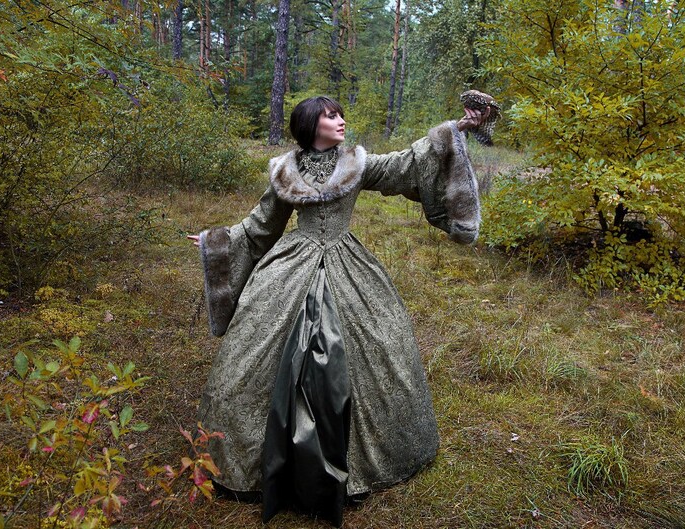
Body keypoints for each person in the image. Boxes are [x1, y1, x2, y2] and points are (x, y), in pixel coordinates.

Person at [188, 95, 491, 526]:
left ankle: (362, 460)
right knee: (254, 354)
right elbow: (260, 226)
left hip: (348, 263)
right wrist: (217, 241)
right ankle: (261, 460)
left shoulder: (358, 163)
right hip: (292, 266)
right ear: (311, 124)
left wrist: (454, 130)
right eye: (331, 116)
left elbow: (407, 163)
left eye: (340, 115)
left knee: (381, 342)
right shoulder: (284, 171)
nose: (341, 121)